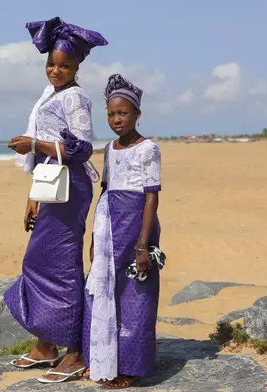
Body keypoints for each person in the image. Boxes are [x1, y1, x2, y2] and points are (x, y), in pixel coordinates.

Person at [4, 16, 108, 383]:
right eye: (51, 63)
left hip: (70, 186)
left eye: (64, 65)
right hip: (51, 184)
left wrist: (32, 144)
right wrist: (33, 195)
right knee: (39, 260)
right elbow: (48, 158)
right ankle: (46, 345)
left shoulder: (76, 97)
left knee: (61, 264)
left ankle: (75, 351)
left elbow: (81, 148)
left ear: (78, 66)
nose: (56, 70)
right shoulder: (51, 95)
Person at [82, 74, 162, 389]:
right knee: (101, 292)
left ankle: (130, 367)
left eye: (123, 113)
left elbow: (152, 196)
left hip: (135, 228)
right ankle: (101, 361)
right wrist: (93, 237)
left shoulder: (149, 149)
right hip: (107, 228)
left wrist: (143, 245)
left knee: (136, 295)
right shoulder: (108, 149)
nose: (116, 119)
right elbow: (104, 192)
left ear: (137, 114)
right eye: (111, 114)